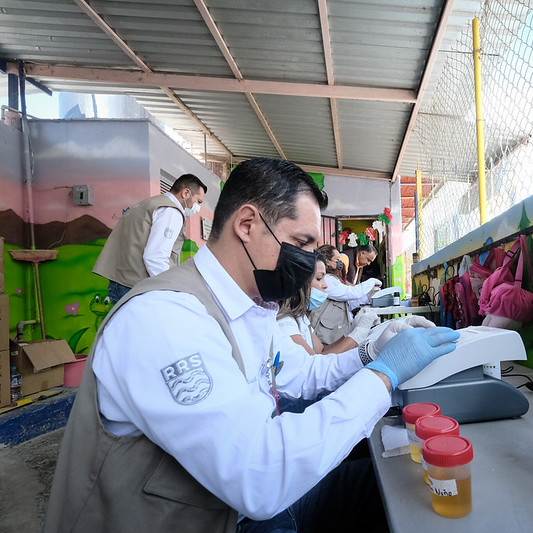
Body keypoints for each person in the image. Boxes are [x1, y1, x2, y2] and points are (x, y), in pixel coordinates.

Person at [44, 157, 459, 533]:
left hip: (238, 511)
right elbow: (259, 475)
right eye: (302, 243)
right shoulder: (163, 319)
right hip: (218, 517)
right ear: (246, 225)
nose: (313, 262)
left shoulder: (249, 308)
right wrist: (383, 378)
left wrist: (374, 352)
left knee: (392, 482)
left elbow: (300, 377)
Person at [93, 173, 207, 303]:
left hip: (120, 283)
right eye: (198, 201)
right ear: (186, 193)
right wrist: (170, 289)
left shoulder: (147, 204)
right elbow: (155, 257)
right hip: (136, 287)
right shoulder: (171, 212)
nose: (198, 208)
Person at [277, 251, 380, 355]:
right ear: (300, 281)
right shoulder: (285, 322)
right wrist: (357, 335)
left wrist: (353, 330)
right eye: (319, 279)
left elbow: (322, 351)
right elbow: (315, 364)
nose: (325, 285)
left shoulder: (301, 318)